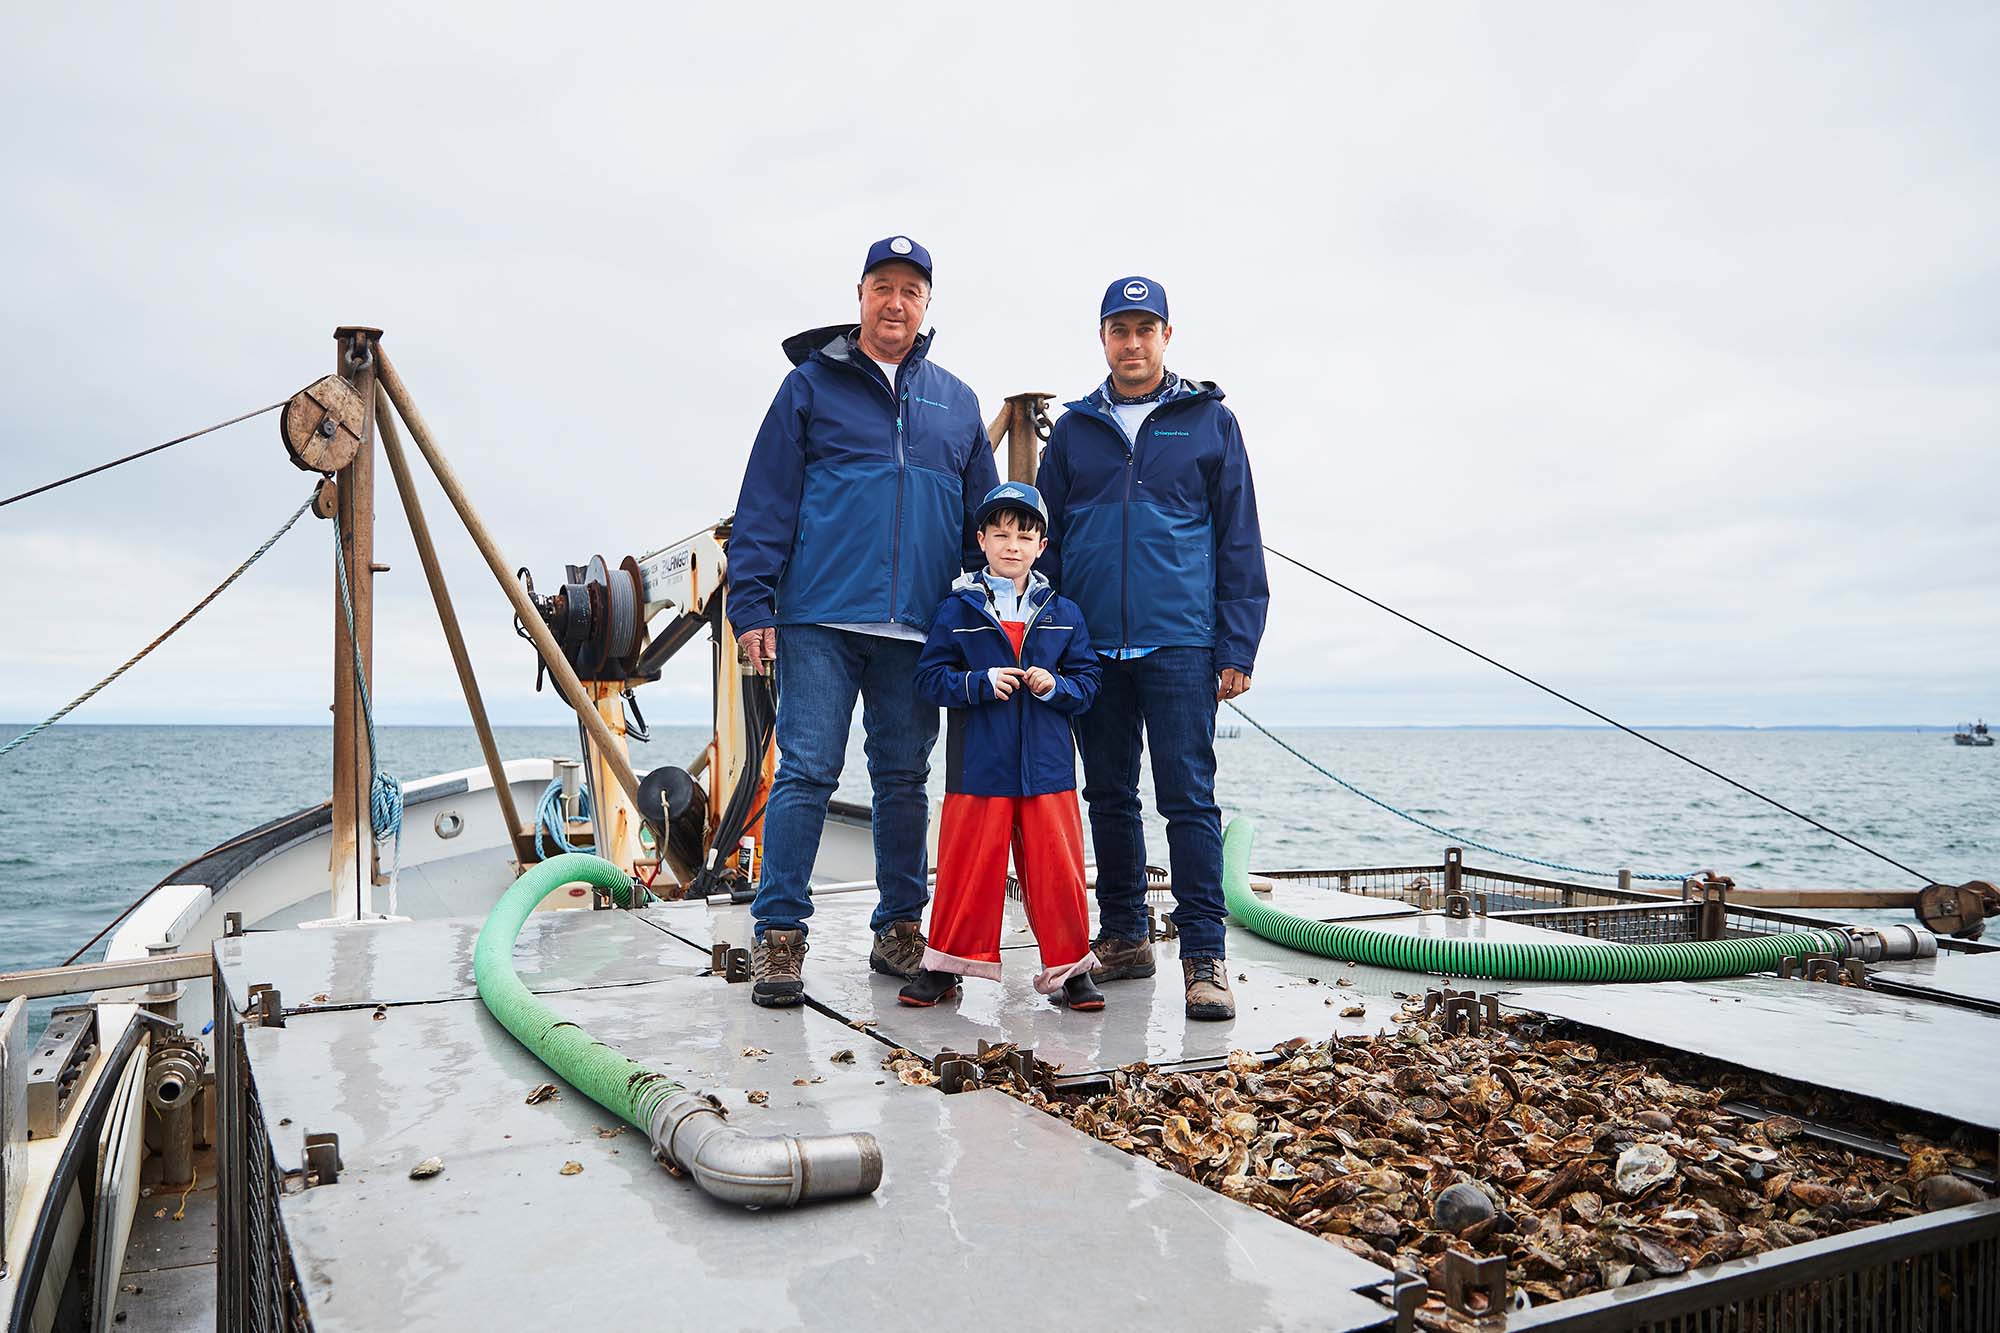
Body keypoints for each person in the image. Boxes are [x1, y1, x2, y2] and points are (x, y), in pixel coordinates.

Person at [728, 235, 999, 1009]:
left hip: (917, 627)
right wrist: (752, 602)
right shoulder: (809, 387)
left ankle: (900, 928)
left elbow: (983, 524)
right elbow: (766, 499)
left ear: (926, 304)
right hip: (819, 616)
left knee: (904, 778)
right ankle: (780, 934)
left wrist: (987, 617)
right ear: (860, 295)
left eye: (910, 290)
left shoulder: (957, 402)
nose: (895, 302)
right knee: (807, 769)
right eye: (883, 286)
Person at [1036, 275, 1269, 1021]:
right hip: (1093, 645)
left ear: (1167, 336)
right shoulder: (1074, 431)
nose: (1131, 343)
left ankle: (1204, 957)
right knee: (1107, 795)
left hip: (1181, 641)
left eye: (1145, 329)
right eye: (1119, 329)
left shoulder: (1210, 422)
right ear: (1102, 338)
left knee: (1188, 800)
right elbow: (1048, 545)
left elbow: (1238, 537)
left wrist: (1237, 645)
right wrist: (1050, 637)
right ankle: (1126, 936)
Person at [902, 482, 1104, 1011]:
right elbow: (929, 679)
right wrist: (979, 682)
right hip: (978, 766)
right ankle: (945, 966)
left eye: (1025, 536)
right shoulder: (956, 610)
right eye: (1001, 535)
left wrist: (1056, 687)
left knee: (1058, 871)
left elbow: (1088, 683)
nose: (1012, 545)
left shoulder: (1065, 611)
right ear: (981, 541)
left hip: (1048, 769)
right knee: (966, 868)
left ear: (1042, 546)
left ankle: (1071, 970)